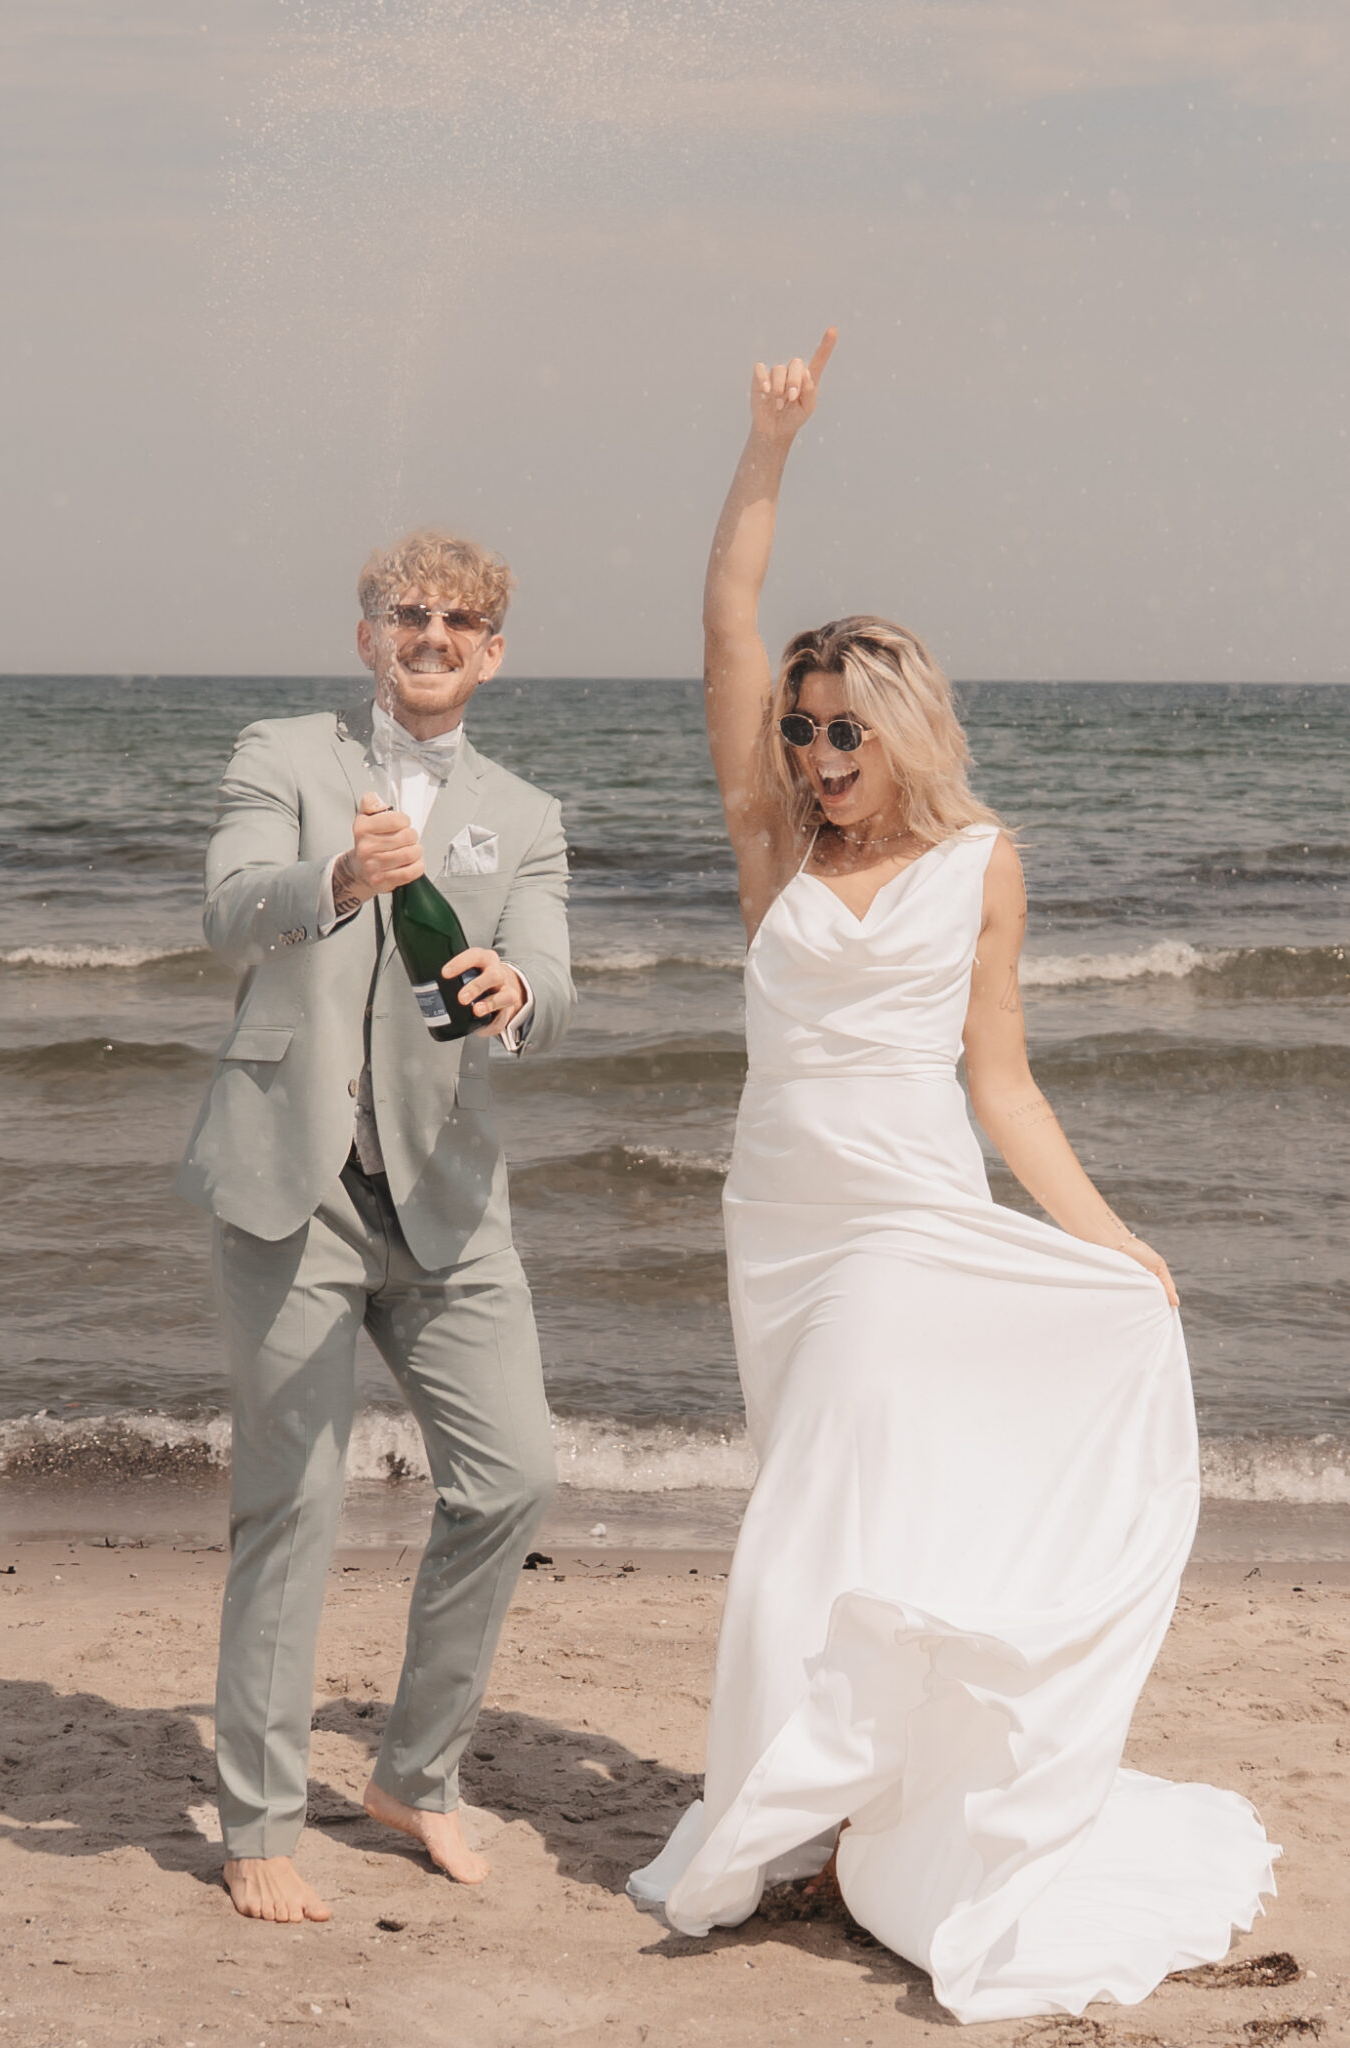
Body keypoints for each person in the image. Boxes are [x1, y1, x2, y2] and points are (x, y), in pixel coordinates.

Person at [627, 337, 1277, 2021]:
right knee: (840, 1501)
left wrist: (1113, 1240)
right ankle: (852, 1810)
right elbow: (720, 615)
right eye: (801, 726)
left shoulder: (981, 864)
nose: (819, 752)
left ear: (901, 726)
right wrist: (765, 450)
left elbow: (999, 1077)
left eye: (844, 729)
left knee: (804, 1521)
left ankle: (776, 1812)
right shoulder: (769, 847)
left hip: (908, 1221)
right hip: (777, 1219)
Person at [177, 529, 574, 1923]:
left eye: (462, 620)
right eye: (410, 613)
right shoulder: (282, 757)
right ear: (367, 636)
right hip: (291, 1185)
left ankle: (413, 1772)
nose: (434, 635)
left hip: (450, 1202)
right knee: (292, 1502)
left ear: (494, 650)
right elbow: (228, 911)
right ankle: (260, 1818)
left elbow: (551, 978)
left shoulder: (525, 811)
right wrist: (337, 884)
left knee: (512, 1474)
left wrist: (512, 993)